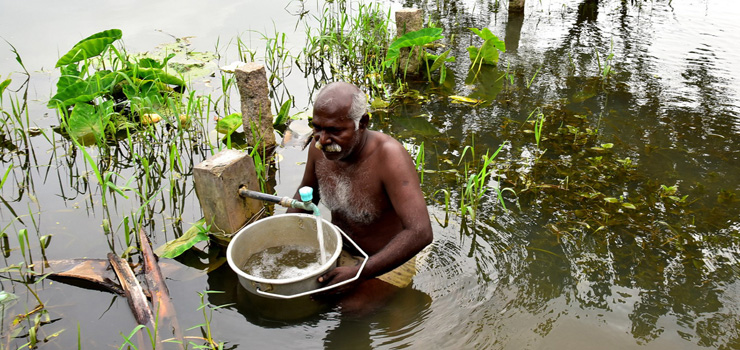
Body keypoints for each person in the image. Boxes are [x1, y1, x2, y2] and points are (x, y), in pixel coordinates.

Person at [287, 81, 432, 305]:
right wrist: (281, 238)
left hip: (386, 259)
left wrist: (359, 273)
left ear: (362, 123)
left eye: (335, 131)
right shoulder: (320, 149)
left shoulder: (389, 157)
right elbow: (305, 196)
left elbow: (420, 232)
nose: (323, 140)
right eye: (317, 127)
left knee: (352, 308)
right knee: (301, 297)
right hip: (341, 248)